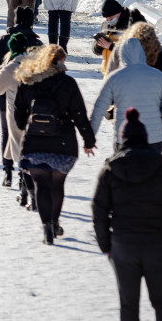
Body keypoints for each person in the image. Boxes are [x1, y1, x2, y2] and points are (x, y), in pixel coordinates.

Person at [92, 108, 162, 321]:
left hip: (123, 246)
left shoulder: (110, 169)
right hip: (158, 245)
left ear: (122, 140)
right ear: (146, 139)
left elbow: (99, 211)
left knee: (128, 305)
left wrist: (106, 245)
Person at [14, 44, 96, 244]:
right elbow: (79, 115)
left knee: (41, 184)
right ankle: (55, 221)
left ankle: (47, 228)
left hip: (34, 145)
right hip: (63, 144)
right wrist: (88, 140)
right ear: (59, 60)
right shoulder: (68, 83)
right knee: (57, 185)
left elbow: (18, 116)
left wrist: (31, 126)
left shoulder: (28, 82)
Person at [0, 7, 44, 190]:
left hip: (6, 97)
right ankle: (26, 172)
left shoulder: (3, 41)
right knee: (28, 135)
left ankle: (7, 170)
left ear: (14, 21)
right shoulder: (39, 45)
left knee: (7, 133)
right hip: (33, 100)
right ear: (31, 22)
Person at [90, 38, 162, 153]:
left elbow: (99, 108)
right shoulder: (158, 76)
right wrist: (154, 113)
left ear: (122, 54)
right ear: (142, 53)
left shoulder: (114, 77)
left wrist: (90, 138)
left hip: (123, 137)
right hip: (153, 137)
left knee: (124, 170)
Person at [93, 0, 145, 75]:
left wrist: (111, 46)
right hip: (109, 73)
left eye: (111, 17)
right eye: (106, 18)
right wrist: (98, 45)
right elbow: (95, 50)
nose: (108, 20)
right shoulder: (106, 24)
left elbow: (136, 50)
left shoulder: (133, 24)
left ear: (119, 12)